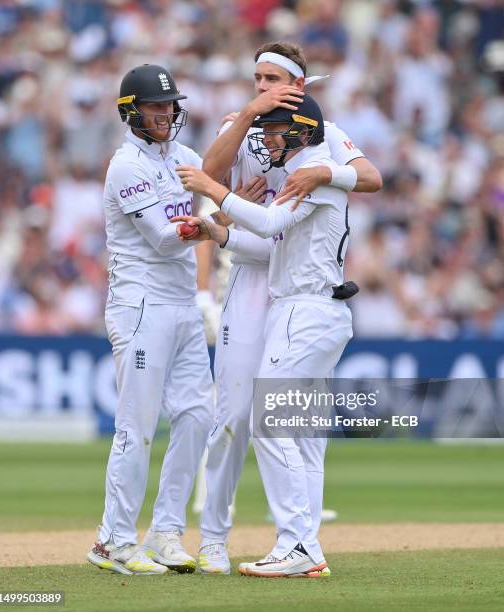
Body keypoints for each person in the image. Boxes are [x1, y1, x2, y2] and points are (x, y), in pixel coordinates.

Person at [195, 41, 382, 575]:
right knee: (236, 413)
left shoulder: (319, 139)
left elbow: (371, 178)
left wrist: (324, 174)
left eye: (271, 78)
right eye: (256, 78)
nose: (261, 88)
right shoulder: (249, 125)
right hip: (265, 272)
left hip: (295, 284)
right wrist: (221, 227)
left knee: (290, 421)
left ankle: (299, 542)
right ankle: (216, 538)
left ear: (299, 89)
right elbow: (218, 174)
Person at [174, 93, 354, 577]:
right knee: (280, 424)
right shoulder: (309, 169)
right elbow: (273, 242)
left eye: (276, 132)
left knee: (269, 421)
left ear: (300, 131)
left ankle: (300, 545)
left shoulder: (312, 169)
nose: (268, 141)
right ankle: (300, 544)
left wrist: (213, 188)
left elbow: (272, 220)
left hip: (307, 309)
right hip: (302, 308)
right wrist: (220, 233)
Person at [86, 64, 215, 576]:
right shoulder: (126, 166)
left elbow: (219, 182)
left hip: (182, 305)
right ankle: (113, 541)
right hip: (140, 307)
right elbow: (164, 239)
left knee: (198, 416)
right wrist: (219, 220)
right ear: (130, 112)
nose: (166, 114)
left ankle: (165, 532)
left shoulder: (184, 158)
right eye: (155, 106)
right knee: (136, 426)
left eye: (170, 105)